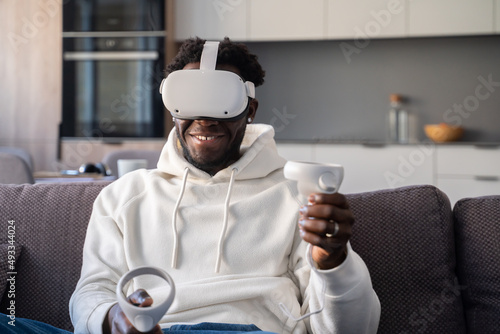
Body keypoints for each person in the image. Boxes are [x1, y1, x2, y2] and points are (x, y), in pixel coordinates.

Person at [67, 37, 379, 334]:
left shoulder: (295, 195)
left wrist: (333, 262)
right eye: (190, 102)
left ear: (250, 110)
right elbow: (94, 290)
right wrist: (111, 319)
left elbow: (353, 329)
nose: (204, 119)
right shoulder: (122, 197)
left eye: (222, 103)